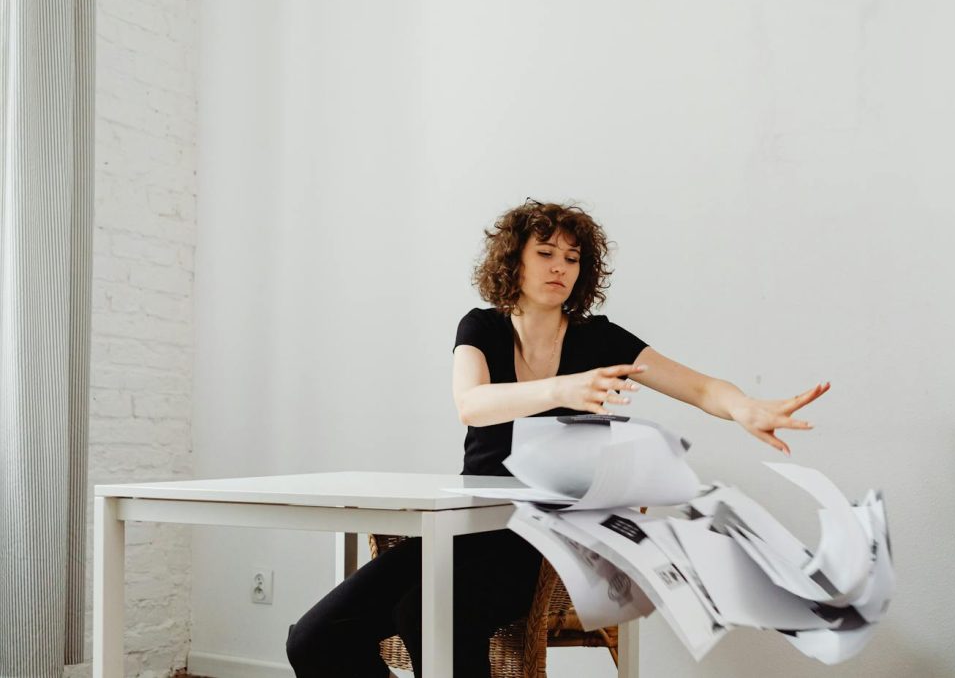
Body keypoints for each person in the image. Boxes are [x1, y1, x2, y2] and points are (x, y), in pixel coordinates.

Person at [286, 199, 829, 677]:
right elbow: (471, 405)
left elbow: (701, 387)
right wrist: (565, 388)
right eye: (546, 252)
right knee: (314, 640)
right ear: (513, 260)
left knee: (426, 617)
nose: (560, 267)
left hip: (539, 539)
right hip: (462, 528)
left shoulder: (601, 340)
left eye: (572, 258)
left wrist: (745, 407)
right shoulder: (481, 328)